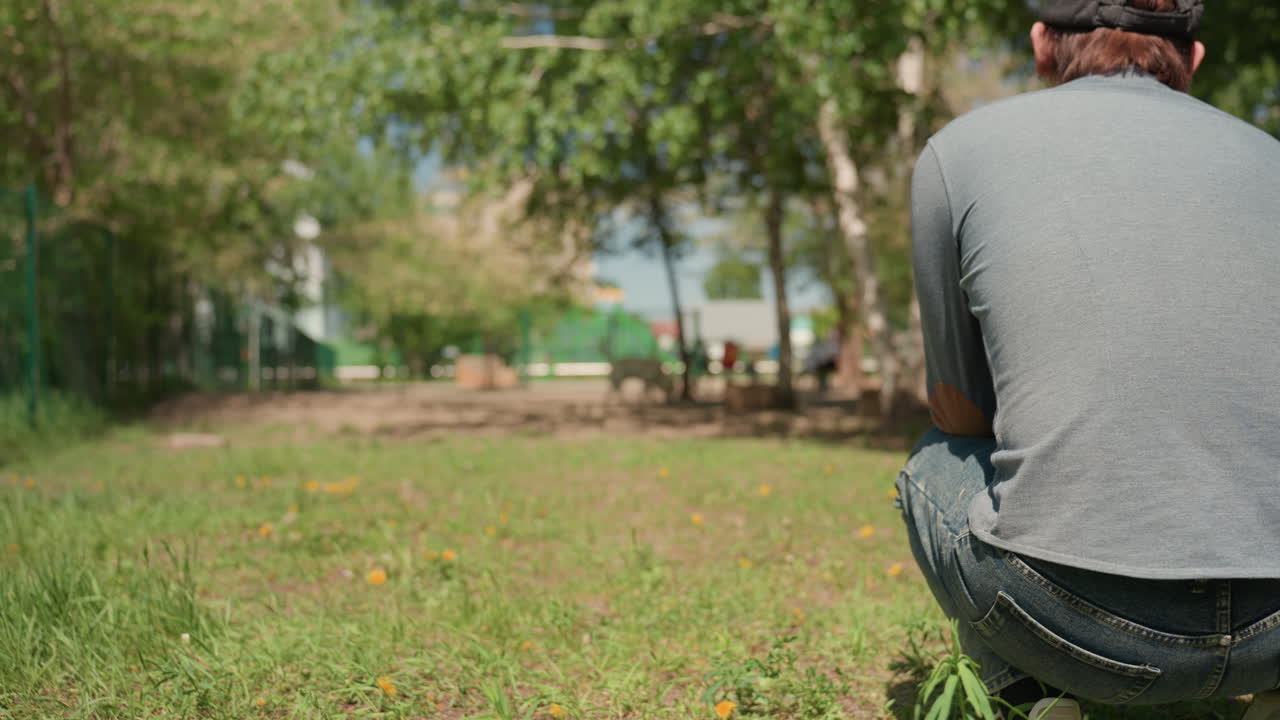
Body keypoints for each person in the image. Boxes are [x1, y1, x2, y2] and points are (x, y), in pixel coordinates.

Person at [899, 1, 1280, 718]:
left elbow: (960, 408)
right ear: (1193, 60)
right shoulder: (1272, 155)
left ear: (1043, 45)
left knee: (932, 463)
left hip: (1074, 623)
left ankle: (1034, 692)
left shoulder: (960, 150)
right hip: (1277, 624)